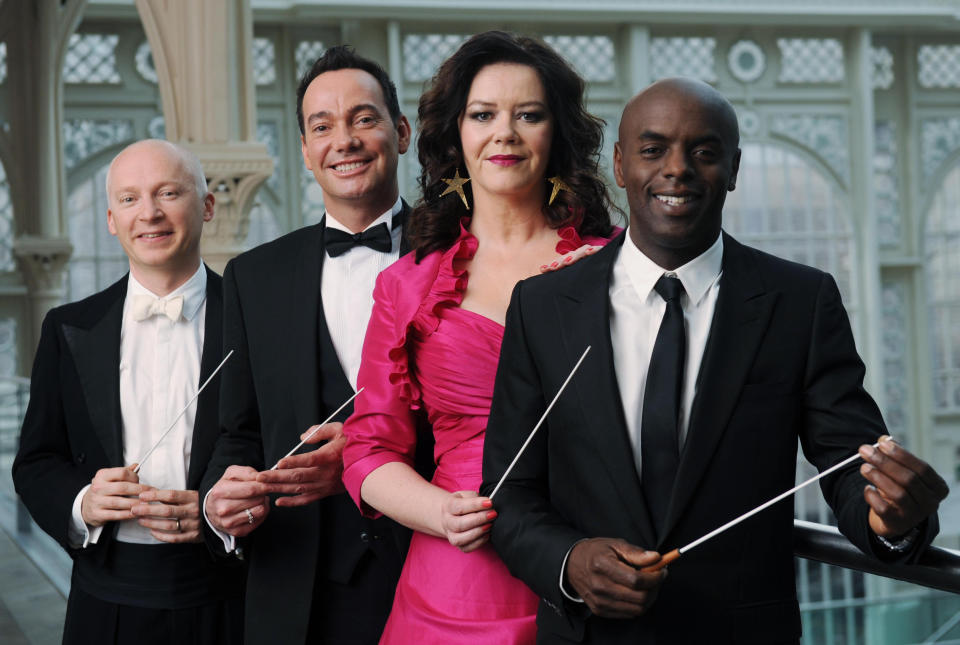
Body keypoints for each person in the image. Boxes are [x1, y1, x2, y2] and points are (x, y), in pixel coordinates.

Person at [480, 77, 950, 644]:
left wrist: (892, 520)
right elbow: (509, 491)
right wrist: (570, 562)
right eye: (654, 150)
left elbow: (847, 463)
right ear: (622, 165)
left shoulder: (800, 302)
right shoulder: (543, 305)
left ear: (733, 169)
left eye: (703, 152)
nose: (677, 169)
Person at [340, 31, 618, 645]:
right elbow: (367, 451)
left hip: (592, 558)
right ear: (455, 134)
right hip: (456, 578)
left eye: (529, 114)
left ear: (557, 133)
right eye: (483, 114)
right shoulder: (407, 284)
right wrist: (439, 512)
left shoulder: (616, 266)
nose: (506, 133)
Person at [200, 46, 426, 645]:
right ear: (305, 151)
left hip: (435, 568)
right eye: (322, 127)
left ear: (401, 133)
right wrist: (217, 503)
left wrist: (366, 456)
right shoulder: (253, 276)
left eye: (364, 118)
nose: (343, 140)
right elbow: (238, 432)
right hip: (297, 588)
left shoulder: (466, 255)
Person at [13, 139, 243, 644]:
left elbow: (276, 448)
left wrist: (223, 512)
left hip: (230, 592)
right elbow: (35, 461)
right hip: (105, 596)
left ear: (206, 206)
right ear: (112, 219)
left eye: (168, 193)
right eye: (130, 199)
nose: (151, 214)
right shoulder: (68, 328)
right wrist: (83, 503)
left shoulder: (256, 322)